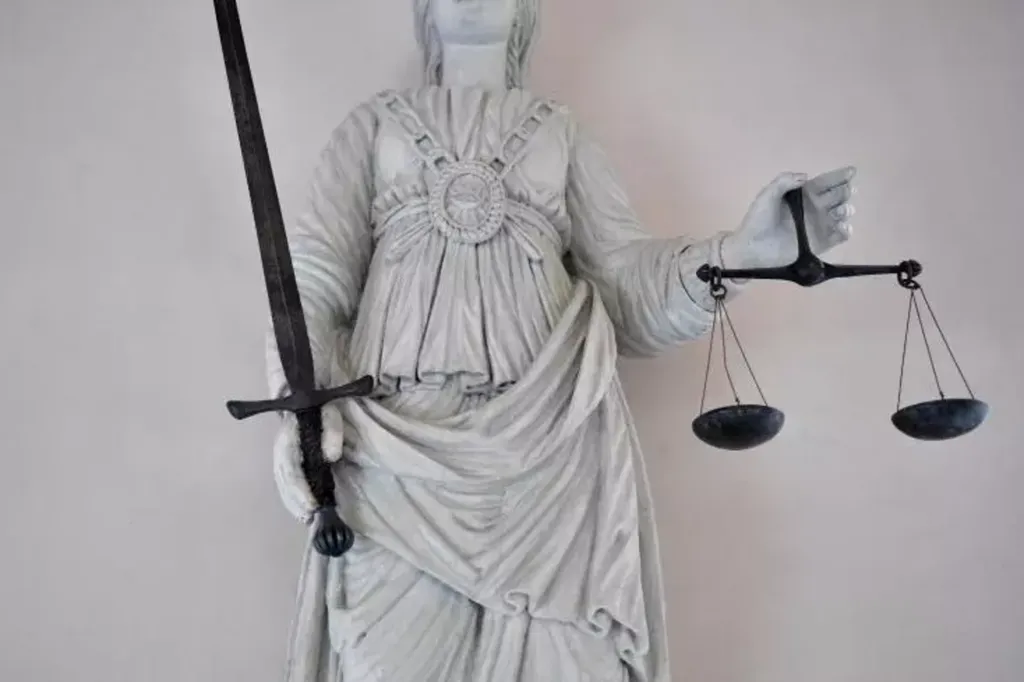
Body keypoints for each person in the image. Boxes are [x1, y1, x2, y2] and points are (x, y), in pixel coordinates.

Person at [265, 1, 857, 680]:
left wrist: (738, 254)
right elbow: (313, 283)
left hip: (552, 453)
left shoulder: (561, 134)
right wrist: (300, 405)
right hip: (397, 456)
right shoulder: (374, 126)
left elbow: (626, 286)